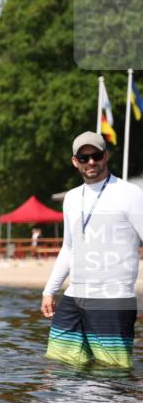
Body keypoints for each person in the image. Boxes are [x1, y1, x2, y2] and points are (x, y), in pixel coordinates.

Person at [41, 131, 143, 369]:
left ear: (105, 156)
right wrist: (49, 290)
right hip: (74, 297)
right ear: (75, 161)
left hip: (113, 299)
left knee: (112, 374)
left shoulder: (130, 194)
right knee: (60, 369)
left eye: (96, 155)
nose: (91, 162)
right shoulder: (72, 198)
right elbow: (68, 248)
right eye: (84, 158)